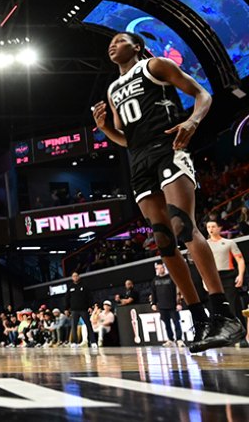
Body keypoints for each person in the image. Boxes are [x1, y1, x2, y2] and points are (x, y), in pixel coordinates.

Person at [93, 31, 243, 351]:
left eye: (121, 39)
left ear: (137, 47)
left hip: (169, 149)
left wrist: (192, 122)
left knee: (182, 225)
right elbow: (126, 138)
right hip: (139, 160)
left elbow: (203, 94)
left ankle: (225, 315)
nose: (113, 44)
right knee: (163, 241)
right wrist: (106, 129)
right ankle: (199, 319)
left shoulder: (155, 66)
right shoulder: (112, 88)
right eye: (112, 42)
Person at [150, 261, 184, 347]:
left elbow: (177, 291)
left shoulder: (171, 278)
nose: (160, 269)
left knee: (176, 322)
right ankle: (170, 339)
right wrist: (153, 303)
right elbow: (153, 293)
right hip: (162, 306)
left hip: (172, 305)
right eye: (158, 268)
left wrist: (178, 303)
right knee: (167, 324)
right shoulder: (155, 280)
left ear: (164, 268)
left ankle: (179, 339)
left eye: (161, 267)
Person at [66, 272, 93, 346]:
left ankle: (93, 341)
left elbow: (89, 297)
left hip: (84, 309)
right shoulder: (70, 287)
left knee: (88, 325)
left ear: (79, 277)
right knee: (74, 326)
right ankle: (74, 342)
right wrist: (66, 308)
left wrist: (90, 306)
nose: (75, 277)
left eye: (76, 276)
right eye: (73, 276)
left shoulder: (84, 286)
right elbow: (67, 298)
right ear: (72, 278)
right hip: (74, 310)